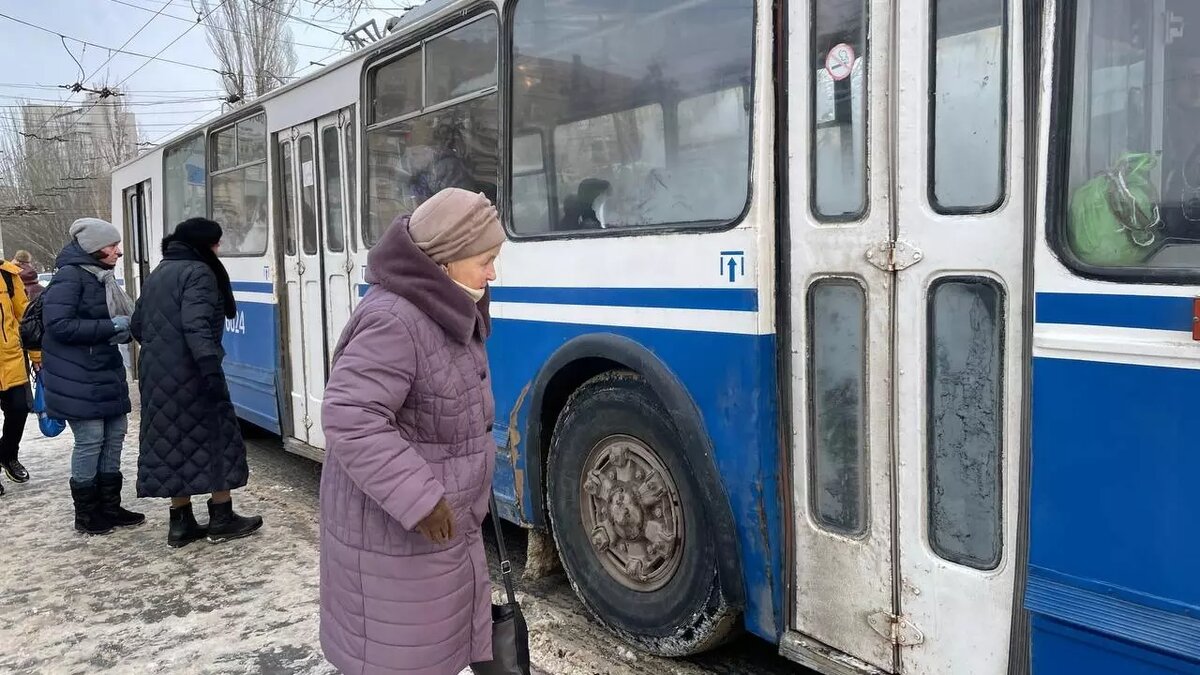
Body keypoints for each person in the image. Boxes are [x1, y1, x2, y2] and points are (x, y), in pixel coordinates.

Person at [319, 187, 505, 674]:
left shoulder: (441, 307)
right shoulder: (396, 319)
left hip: (432, 534)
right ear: (445, 261)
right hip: (397, 532)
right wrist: (420, 499)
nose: (493, 273)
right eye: (485, 260)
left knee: (434, 650)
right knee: (402, 657)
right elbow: (350, 415)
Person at [131, 218, 262, 548]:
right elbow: (196, 327)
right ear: (205, 244)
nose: (218, 248)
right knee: (217, 438)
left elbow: (137, 327)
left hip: (157, 374)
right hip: (193, 371)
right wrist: (210, 370)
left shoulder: (159, 272)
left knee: (172, 442)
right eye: (216, 243)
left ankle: (181, 523)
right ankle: (222, 517)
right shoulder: (200, 273)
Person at [41, 218, 144, 534]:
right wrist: (111, 327)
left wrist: (125, 329)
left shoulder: (102, 277)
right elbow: (58, 325)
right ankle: (86, 515)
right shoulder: (70, 278)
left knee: (115, 435)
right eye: (113, 245)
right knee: (90, 440)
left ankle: (109, 507)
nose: (119, 251)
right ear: (94, 247)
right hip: (76, 376)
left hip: (103, 370)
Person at [0, 257, 40, 494]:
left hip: (10, 358)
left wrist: (36, 356)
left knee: (19, 408)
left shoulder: (8, 274)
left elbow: (26, 318)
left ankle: (7, 455)